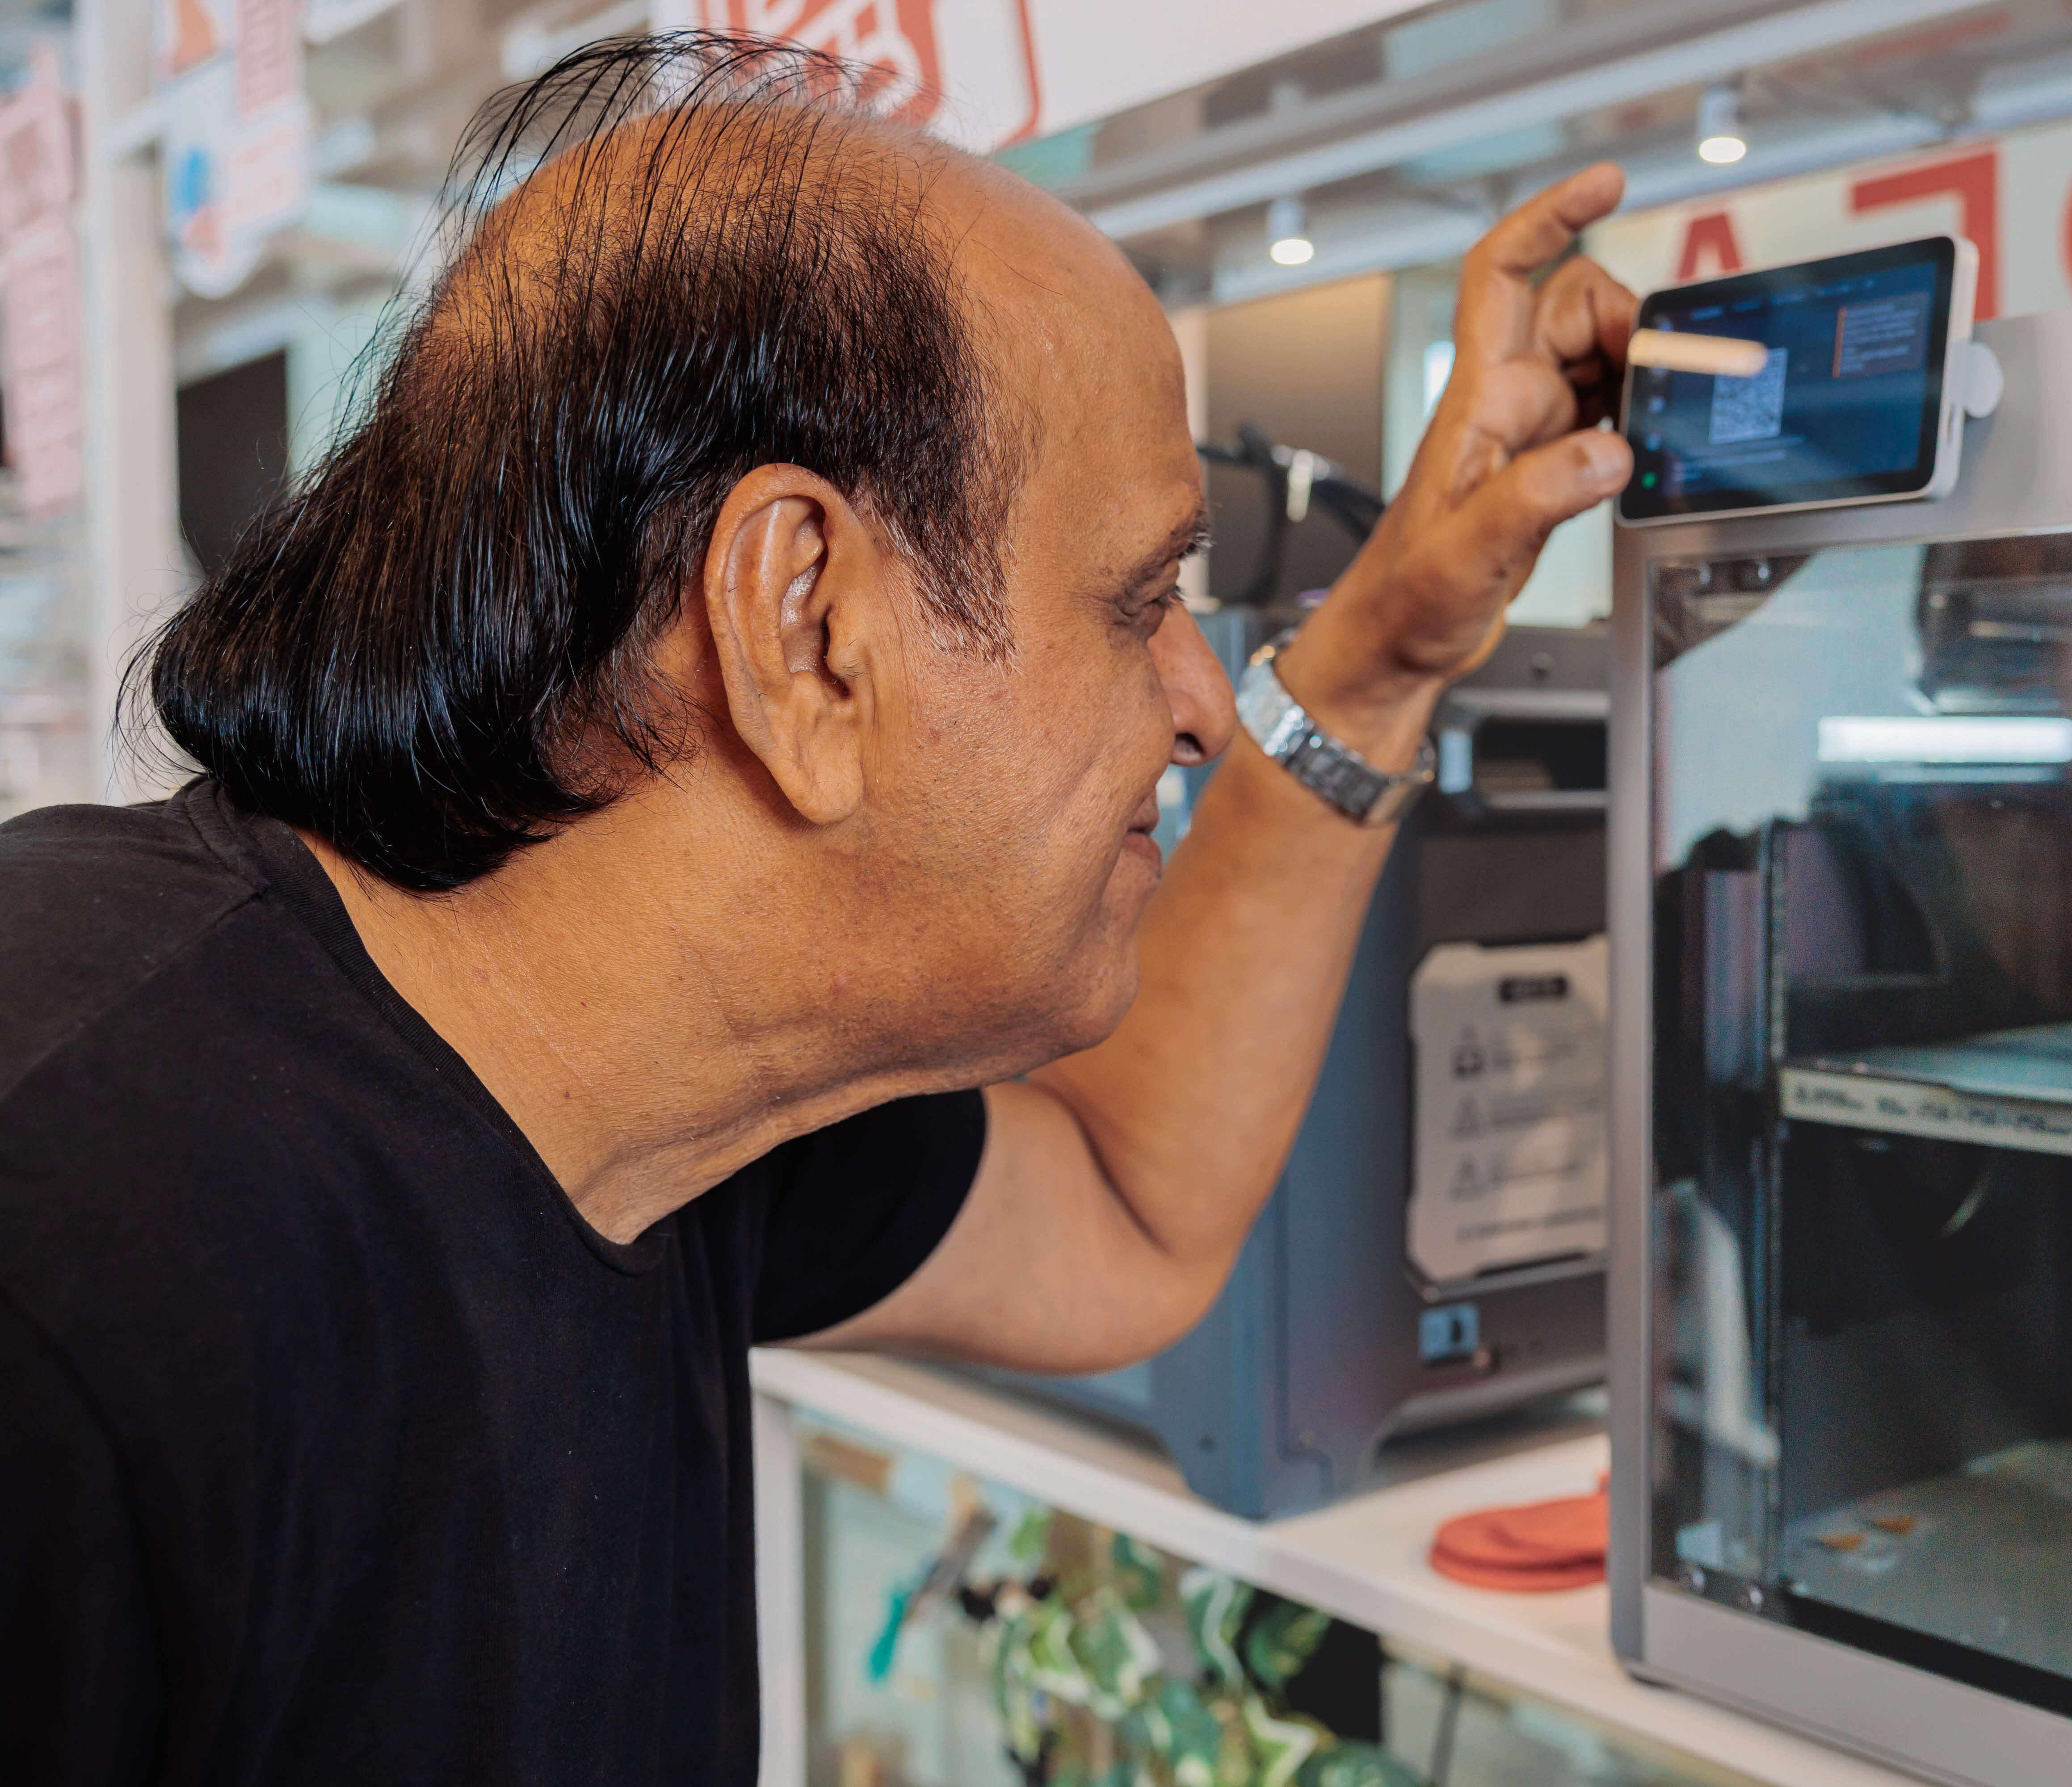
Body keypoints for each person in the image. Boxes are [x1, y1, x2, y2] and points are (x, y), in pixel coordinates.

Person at [0, 37, 1637, 1786]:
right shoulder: (73, 1244)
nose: (1199, 706)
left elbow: (1132, 1206)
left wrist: (1382, 659)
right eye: (1138, 600)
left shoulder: (670, 1108)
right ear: (805, 629)